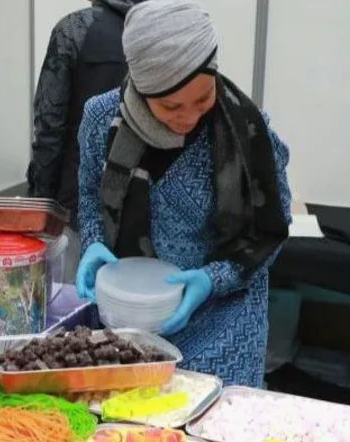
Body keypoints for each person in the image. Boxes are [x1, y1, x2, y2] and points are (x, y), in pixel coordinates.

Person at [73, 0, 292, 387]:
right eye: (170, 105)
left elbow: (270, 230)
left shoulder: (247, 135)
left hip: (226, 328)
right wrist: (92, 240)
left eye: (203, 98)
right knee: (131, 439)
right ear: (141, 88)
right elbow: (90, 193)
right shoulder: (101, 120)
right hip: (131, 324)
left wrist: (213, 279)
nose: (189, 116)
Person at [28, 0, 146, 282]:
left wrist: (38, 208)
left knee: (73, 310)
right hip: (147, 216)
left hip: (78, 208)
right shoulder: (165, 33)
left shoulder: (74, 30)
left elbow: (49, 127)